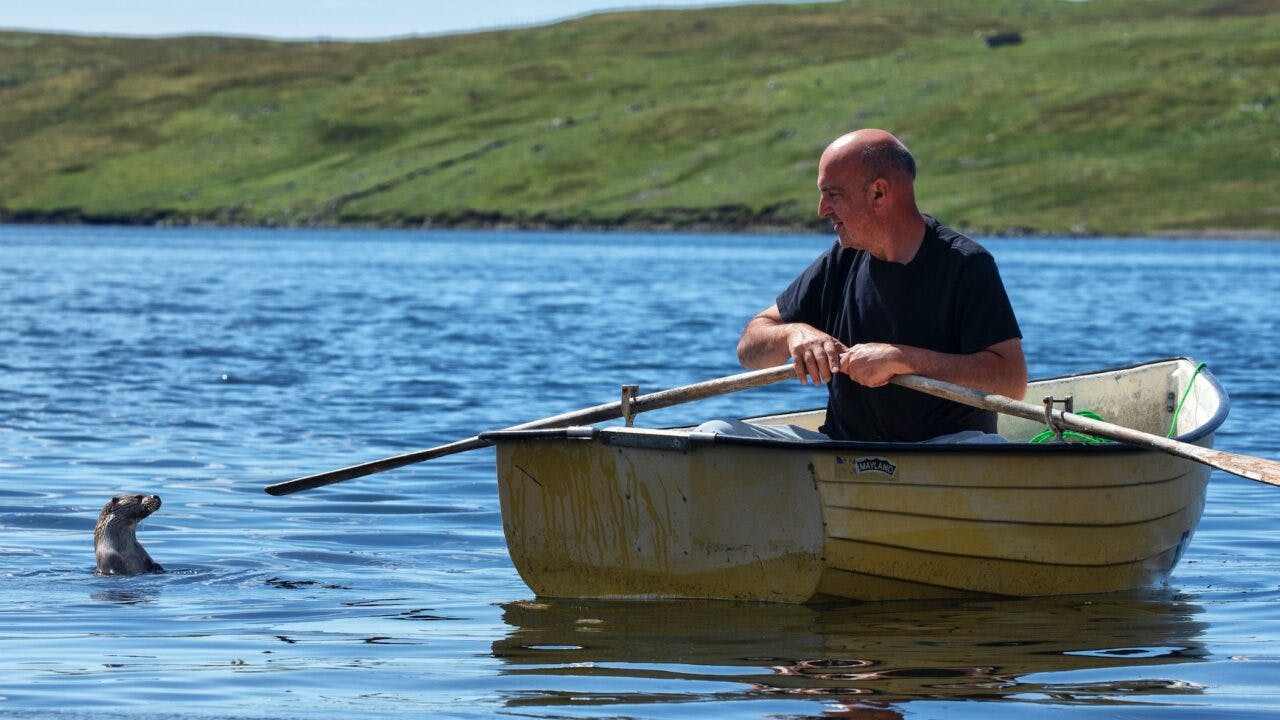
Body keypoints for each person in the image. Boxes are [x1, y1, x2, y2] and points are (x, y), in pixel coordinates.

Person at [715, 129, 1026, 443]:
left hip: (943, 454)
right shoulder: (841, 260)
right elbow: (749, 349)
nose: (821, 210)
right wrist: (793, 334)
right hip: (841, 453)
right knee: (719, 433)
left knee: (985, 445)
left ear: (879, 193)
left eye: (833, 194)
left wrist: (902, 359)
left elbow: (1011, 381)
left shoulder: (967, 264)